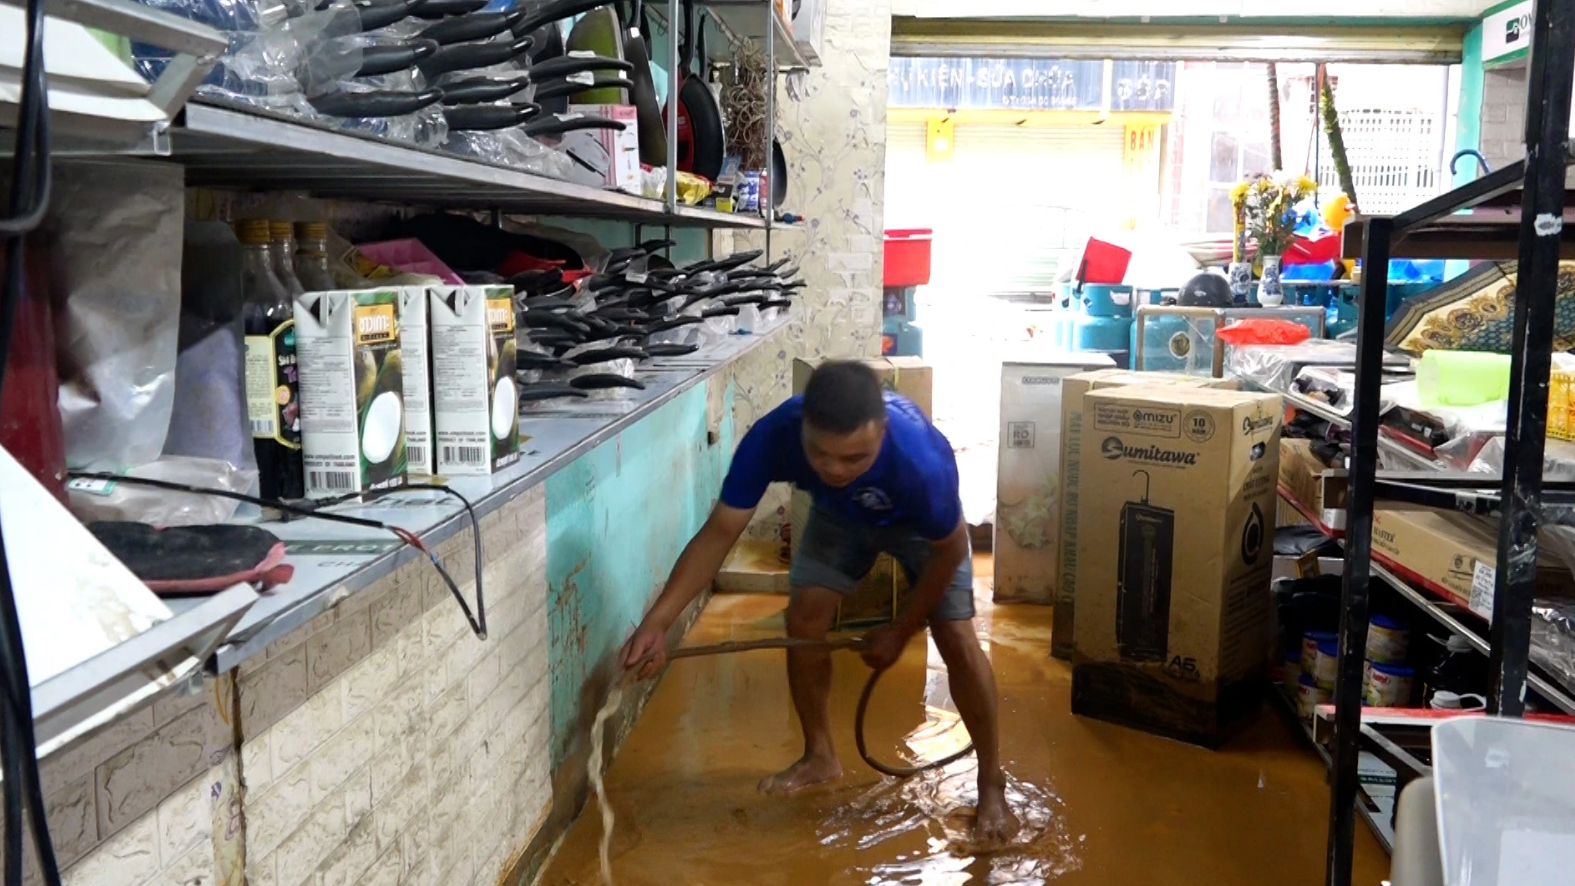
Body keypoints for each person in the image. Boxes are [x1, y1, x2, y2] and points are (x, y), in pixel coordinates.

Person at [620, 360, 1020, 844]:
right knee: (804, 614)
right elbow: (719, 533)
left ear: (883, 432)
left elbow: (952, 550)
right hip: (840, 518)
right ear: (802, 425)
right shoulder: (773, 436)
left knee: (955, 634)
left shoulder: (919, 460)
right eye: (820, 454)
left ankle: (990, 779)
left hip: (922, 530)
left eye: (855, 458)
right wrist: (659, 622)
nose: (834, 468)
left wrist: (900, 629)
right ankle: (819, 755)